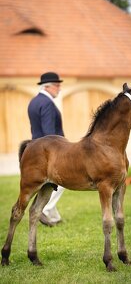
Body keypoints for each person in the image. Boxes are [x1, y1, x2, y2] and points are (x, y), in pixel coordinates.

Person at [28, 72, 64, 227]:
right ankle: (45, 209)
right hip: (49, 151)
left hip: (36, 148)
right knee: (63, 181)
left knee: (48, 184)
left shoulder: (34, 102)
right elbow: (49, 133)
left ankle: (54, 216)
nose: (59, 89)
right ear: (47, 86)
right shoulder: (47, 103)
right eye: (57, 86)